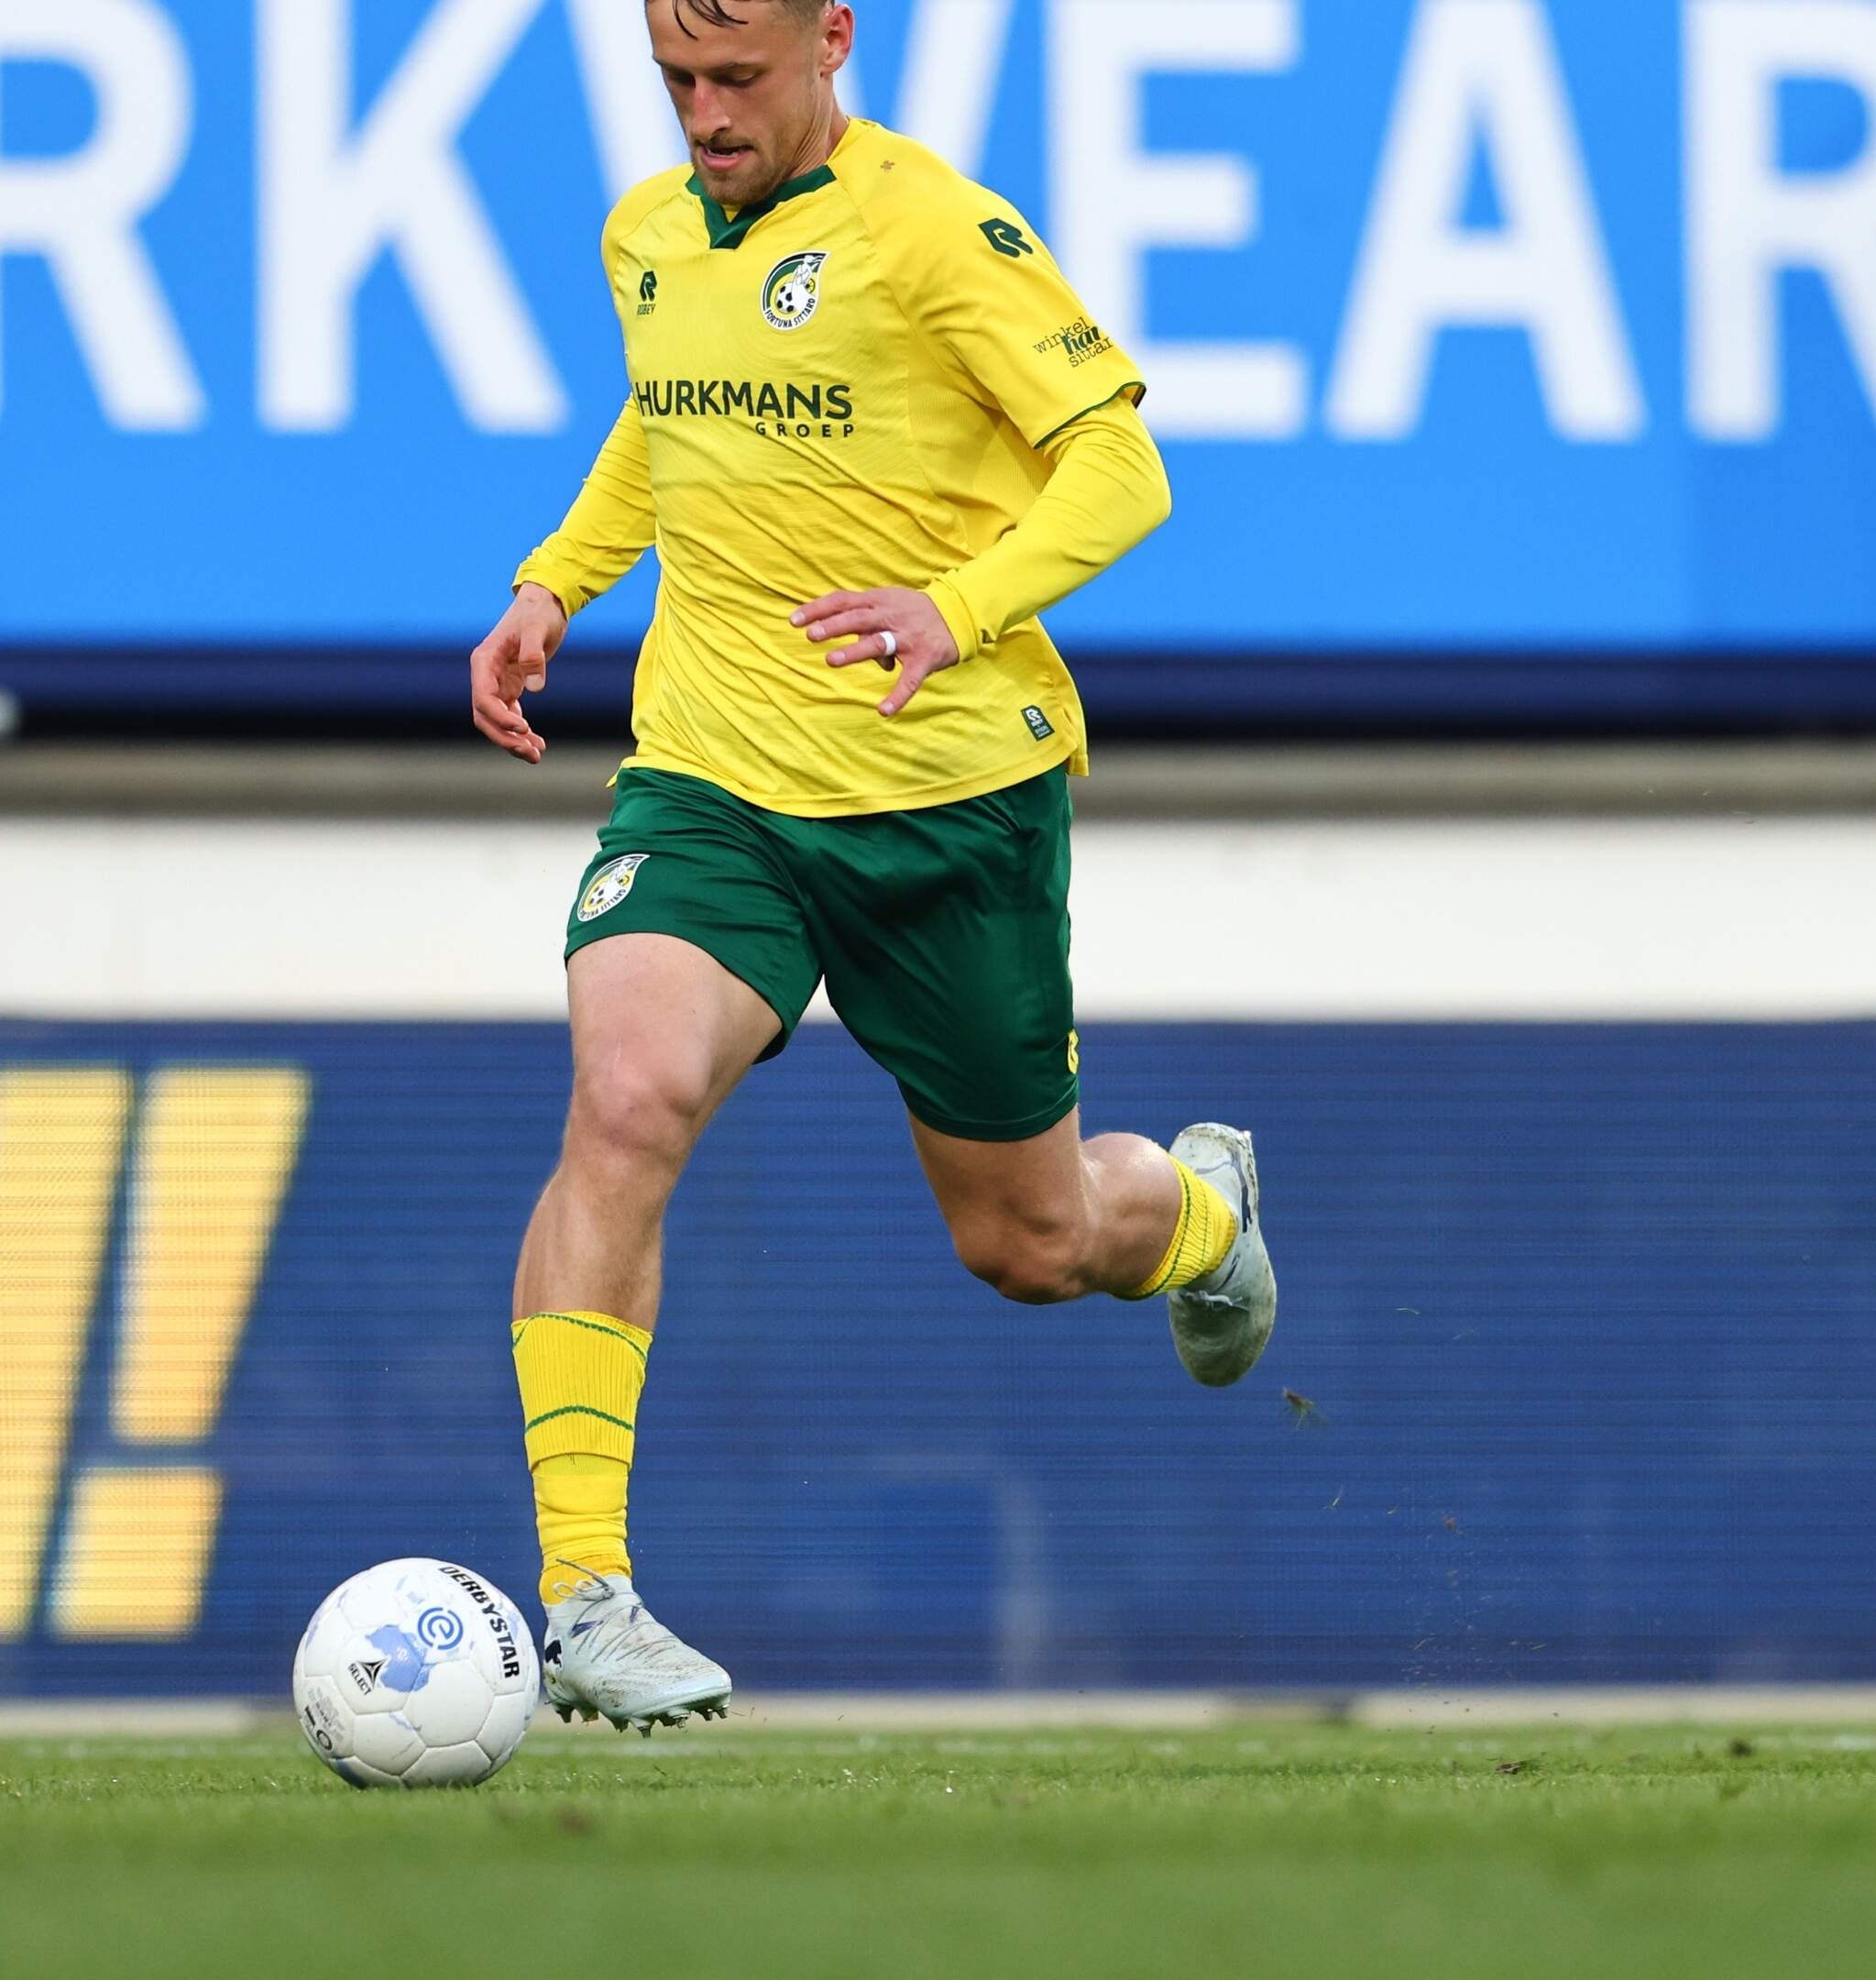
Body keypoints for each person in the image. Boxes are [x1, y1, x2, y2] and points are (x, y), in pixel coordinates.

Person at [466, 0, 1276, 1732]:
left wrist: (958, 605)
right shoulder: (649, 232)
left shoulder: (936, 233)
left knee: (1034, 1243)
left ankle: (1200, 1216)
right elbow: (670, 426)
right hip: (714, 780)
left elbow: (1120, 465)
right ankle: (584, 1597)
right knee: (624, 1101)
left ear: (833, 37)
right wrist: (555, 581)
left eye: (736, 77)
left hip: (945, 807)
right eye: (676, 82)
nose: (702, 116)